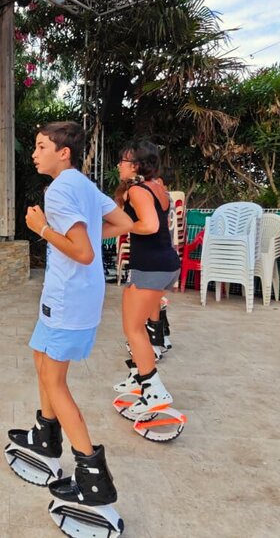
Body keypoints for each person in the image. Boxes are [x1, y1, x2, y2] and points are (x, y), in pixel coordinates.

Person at [7, 121, 133, 509]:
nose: (34, 154)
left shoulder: (60, 190)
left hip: (68, 299)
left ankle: (93, 477)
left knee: (54, 380)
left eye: (41, 146)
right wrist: (86, 234)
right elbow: (124, 223)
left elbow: (83, 252)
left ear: (64, 153)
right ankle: (46, 436)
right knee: (40, 355)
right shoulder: (83, 184)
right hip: (71, 295)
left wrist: (41, 228)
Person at [111, 142, 181, 418]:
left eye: (123, 161)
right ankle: (137, 376)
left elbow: (150, 225)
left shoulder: (138, 190)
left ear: (136, 165)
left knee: (133, 329)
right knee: (133, 324)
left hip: (152, 267)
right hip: (160, 264)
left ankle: (153, 390)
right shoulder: (156, 186)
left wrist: (124, 226)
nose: (119, 165)